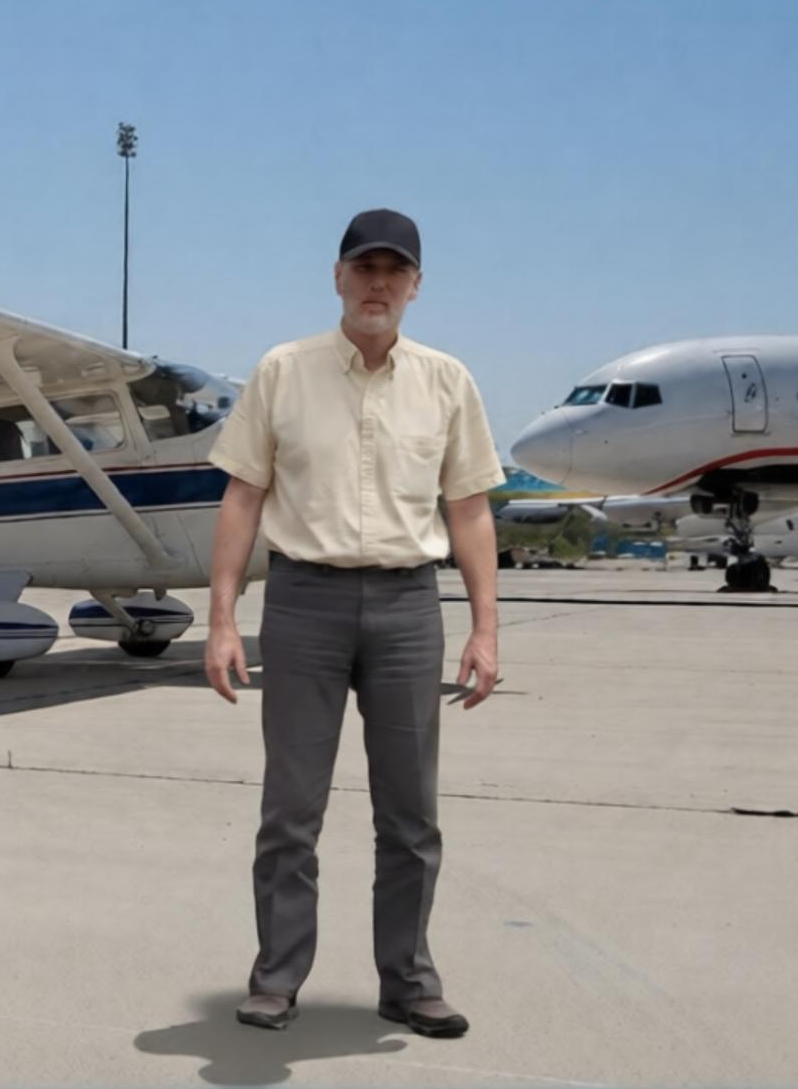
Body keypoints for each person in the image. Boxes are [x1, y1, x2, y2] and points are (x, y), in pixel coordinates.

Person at [202, 208, 506, 1038]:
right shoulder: (282, 371)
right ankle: (276, 979)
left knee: (410, 814)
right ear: (337, 277)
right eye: (363, 268)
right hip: (304, 604)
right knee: (290, 810)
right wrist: (223, 618)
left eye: (394, 271)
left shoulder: (447, 381)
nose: (378, 284)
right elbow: (243, 495)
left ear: (415, 285)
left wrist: (485, 628)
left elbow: (470, 507)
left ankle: (408, 982)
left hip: (410, 608)